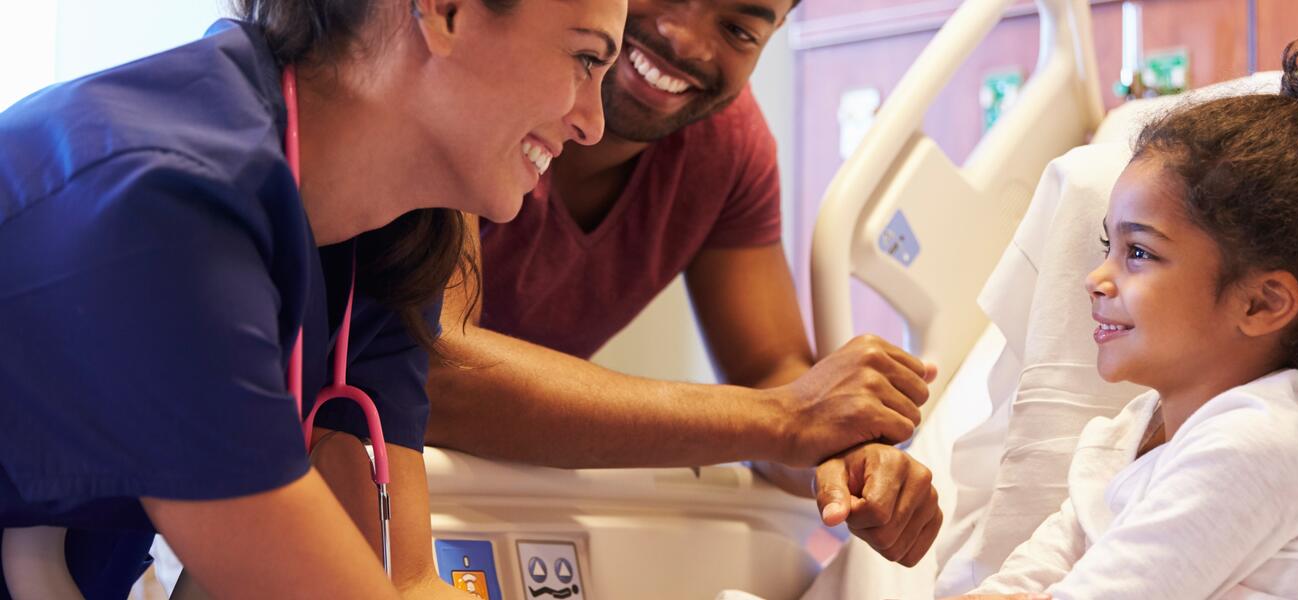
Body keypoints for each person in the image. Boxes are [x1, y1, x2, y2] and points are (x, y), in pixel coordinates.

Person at [0, 0, 624, 597]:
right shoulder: (164, 203)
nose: (594, 124)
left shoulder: (383, 238)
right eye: (587, 58)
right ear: (446, 10)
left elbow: (400, 581)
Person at [423, 0, 944, 567]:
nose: (686, 40)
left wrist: (846, 453)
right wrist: (786, 420)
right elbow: (438, 369)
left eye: (740, 29)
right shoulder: (467, 68)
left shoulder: (728, 146)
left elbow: (774, 375)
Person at [950, 41, 1298, 599]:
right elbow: (1018, 582)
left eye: (1138, 253)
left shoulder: (1261, 446)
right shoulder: (1134, 431)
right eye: (1107, 245)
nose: (1095, 278)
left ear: (1260, 304)